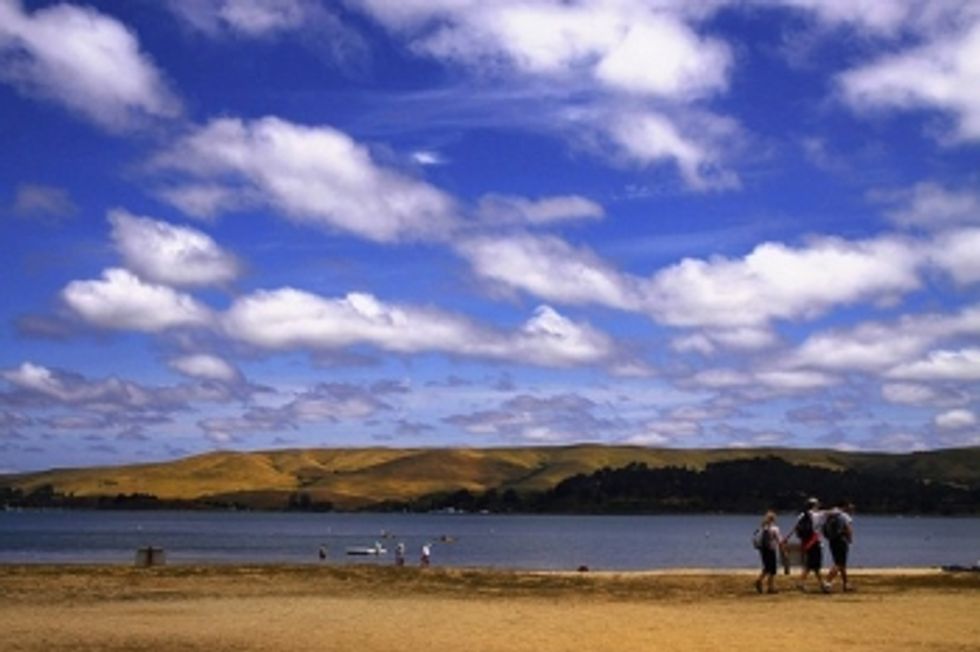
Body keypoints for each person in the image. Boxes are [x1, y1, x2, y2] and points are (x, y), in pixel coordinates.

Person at [783, 497, 830, 593]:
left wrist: (788, 538)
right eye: (817, 504)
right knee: (814, 565)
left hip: (806, 542)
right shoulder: (818, 515)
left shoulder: (801, 515)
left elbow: (796, 529)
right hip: (815, 542)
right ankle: (815, 584)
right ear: (815, 505)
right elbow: (832, 513)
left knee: (811, 564)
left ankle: (820, 584)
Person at [824, 501, 855, 592]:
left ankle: (846, 584)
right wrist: (850, 539)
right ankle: (827, 583)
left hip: (832, 541)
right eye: (850, 507)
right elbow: (848, 528)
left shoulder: (831, 515)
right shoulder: (844, 516)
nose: (852, 509)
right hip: (841, 541)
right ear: (844, 506)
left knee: (842, 564)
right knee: (839, 563)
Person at [754, 511, 783, 594]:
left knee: (767, 567)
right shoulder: (775, 528)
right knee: (772, 569)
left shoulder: (762, 528)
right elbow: (779, 540)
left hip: (763, 550)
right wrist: (783, 548)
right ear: (773, 519)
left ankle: (760, 581)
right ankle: (770, 587)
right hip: (771, 550)